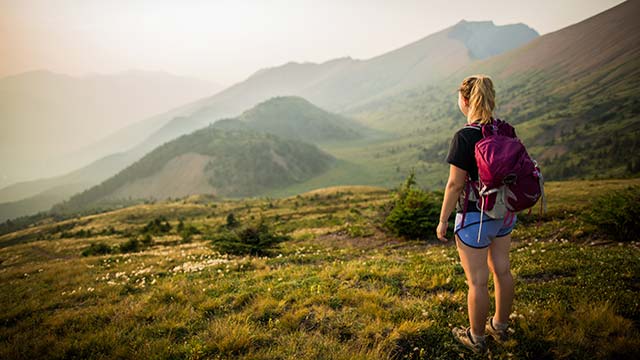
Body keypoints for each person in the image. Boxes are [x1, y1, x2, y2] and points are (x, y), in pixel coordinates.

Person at [436, 74, 514, 353]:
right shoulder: (506, 131)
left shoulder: (464, 137)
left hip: (473, 219)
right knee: (502, 270)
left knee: (477, 282)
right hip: (504, 216)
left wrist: (443, 219)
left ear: (465, 100)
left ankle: (477, 338)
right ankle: (501, 326)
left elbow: (455, 184)